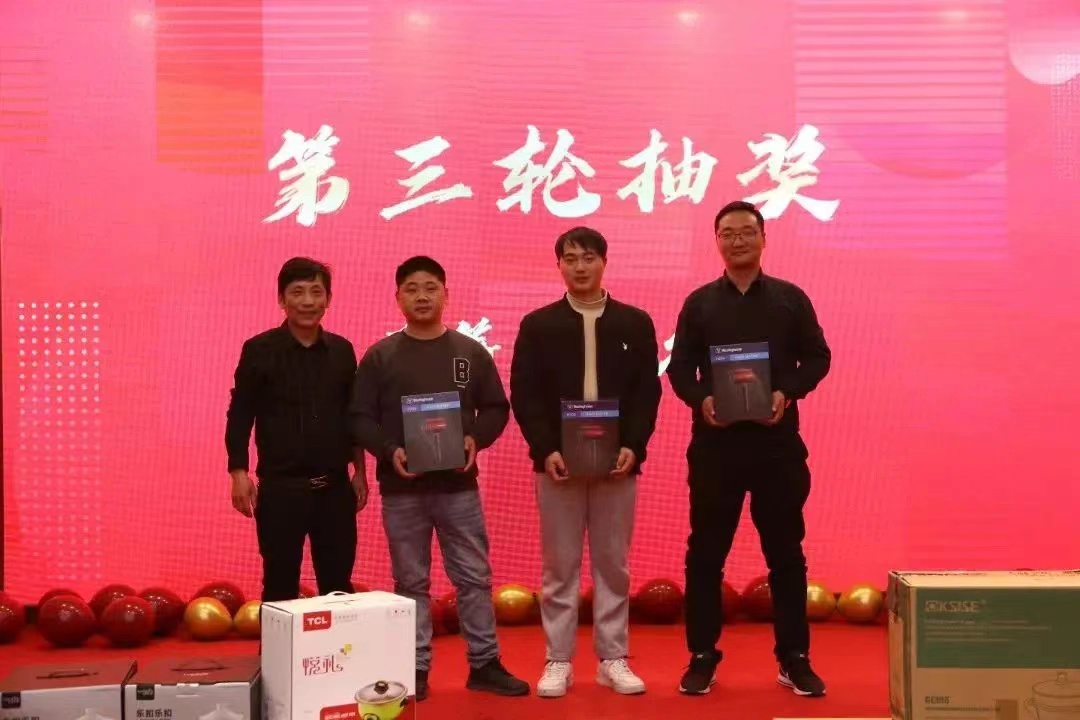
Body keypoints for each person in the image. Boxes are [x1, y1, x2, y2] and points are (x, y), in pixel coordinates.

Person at [667, 201, 831, 697]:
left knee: (786, 554)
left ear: (763, 238)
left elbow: (818, 358)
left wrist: (787, 392)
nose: (737, 240)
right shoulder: (699, 304)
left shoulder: (790, 299)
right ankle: (701, 655)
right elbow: (680, 368)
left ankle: (794, 658)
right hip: (715, 448)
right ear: (716, 241)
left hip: (776, 447)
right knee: (705, 554)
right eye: (727, 233)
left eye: (746, 232)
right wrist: (702, 399)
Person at [349, 255, 530, 702]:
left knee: (474, 578)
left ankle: (484, 663)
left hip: (458, 488)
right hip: (402, 490)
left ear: (446, 294)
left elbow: (496, 408)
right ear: (398, 298)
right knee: (410, 583)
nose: (422, 296)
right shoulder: (380, 356)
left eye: (431, 287)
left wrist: (474, 439)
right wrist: (389, 450)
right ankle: (415, 667)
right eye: (412, 289)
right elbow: (359, 418)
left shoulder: (469, 352)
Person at [509, 227, 662, 698]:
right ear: (558, 265)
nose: (580, 266)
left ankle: (613, 658)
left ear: (604, 262)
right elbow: (525, 393)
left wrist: (634, 445)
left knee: (613, 564)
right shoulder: (538, 325)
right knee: (560, 567)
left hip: (617, 462)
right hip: (559, 463)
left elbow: (647, 392)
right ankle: (558, 659)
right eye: (571, 258)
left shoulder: (635, 322)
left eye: (589, 257)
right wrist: (545, 448)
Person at [225, 257, 368, 603]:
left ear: (328, 299)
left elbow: (352, 417)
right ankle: (277, 643)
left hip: (334, 489)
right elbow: (240, 414)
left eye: (316, 292)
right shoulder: (259, 350)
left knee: (338, 587)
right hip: (281, 490)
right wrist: (238, 472)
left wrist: (360, 471)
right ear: (281, 299)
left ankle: (337, 643)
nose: (307, 301)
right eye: (297, 292)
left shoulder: (342, 351)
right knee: (279, 585)